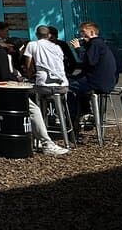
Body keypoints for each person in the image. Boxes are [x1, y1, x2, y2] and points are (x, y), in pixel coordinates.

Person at [21, 25, 71, 155]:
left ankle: (38, 134)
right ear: (49, 35)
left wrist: (29, 76)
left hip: (44, 86)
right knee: (52, 97)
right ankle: (63, 130)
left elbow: (28, 65)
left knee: (27, 95)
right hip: (63, 85)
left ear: (36, 35)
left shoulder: (32, 45)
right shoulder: (57, 47)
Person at [68, 21, 119, 123]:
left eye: (83, 32)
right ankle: (84, 111)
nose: (81, 35)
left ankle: (75, 117)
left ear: (92, 32)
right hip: (106, 81)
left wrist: (78, 48)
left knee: (66, 86)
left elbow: (89, 61)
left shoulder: (95, 44)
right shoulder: (102, 44)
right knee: (75, 83)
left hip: (97, 83)